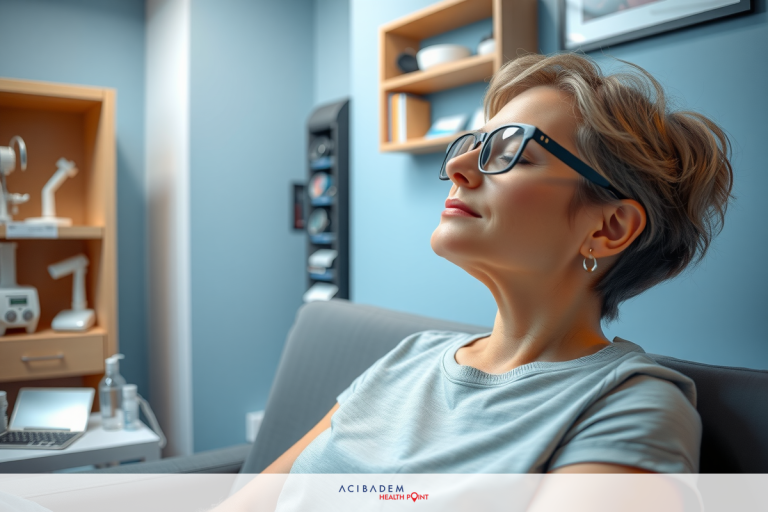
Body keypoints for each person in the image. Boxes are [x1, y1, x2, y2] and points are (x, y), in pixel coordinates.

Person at [241, 51, 733, 486]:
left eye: (510, 150)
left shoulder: (629, 409)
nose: (459, 168)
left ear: (608, 228)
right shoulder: (408, 358)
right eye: (471, 144)